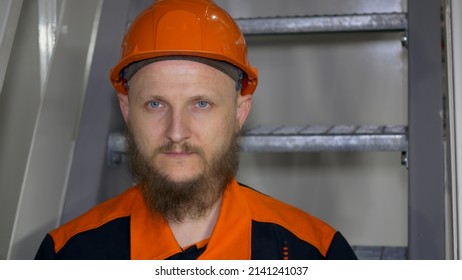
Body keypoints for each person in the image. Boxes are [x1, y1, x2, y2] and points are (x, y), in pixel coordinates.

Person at [35, 0, 357, 260]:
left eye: (201, 104)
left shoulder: (317, 253)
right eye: (155, 104)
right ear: (126, 110)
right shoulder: (68, 255)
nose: (177, 132)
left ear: (240, 112)